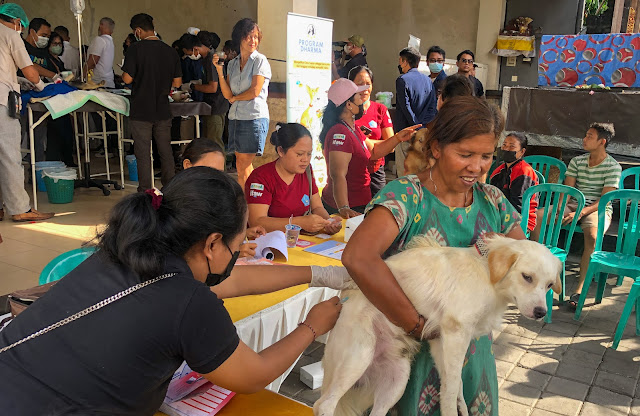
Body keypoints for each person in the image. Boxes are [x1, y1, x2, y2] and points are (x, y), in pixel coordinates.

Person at [0, 167, 352, 414]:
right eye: (238, 244)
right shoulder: (189, 302)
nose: (238, 254)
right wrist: (311, 327)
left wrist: (318, 274)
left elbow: (236, 281)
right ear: (213, 243)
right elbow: (252, 375)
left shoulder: (126, 252)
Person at [342, 96, 525, 416]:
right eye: (465, 154)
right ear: (437, 147)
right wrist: (416, 324)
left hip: (471, 353)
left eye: (486, 155)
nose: (477, 166)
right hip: (409, 354)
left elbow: (523, 261)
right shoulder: (407, 197)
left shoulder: (492, 201)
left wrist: (500, 255)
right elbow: (358, 257)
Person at [531, 123, 621, 309]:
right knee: (538, 216)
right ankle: (540, 267)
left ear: (602, 142)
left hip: (598, 209)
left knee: (593, 237)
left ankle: (579, 289)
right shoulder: (577, 161)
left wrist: (580, 213)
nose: (584, 139)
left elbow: (604, 201)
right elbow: (568, 189)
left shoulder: (613, 167)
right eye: (585, 135)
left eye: (589, 136)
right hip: (573, 203)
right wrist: (561, 206)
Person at [320, 78, 419, 218]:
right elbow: (338, 175)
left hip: (360, 202)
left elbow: (374, 151)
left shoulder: (353, 129)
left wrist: (398, 138)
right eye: (358, 97)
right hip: (349, 208)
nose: (363, 100)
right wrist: (343, 208)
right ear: (348, 104)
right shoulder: (340, 133)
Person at [0, 3, 53, 222]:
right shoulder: (11, 35)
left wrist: (17, 80)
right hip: (2, 102)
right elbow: (30, 70)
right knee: (10, 156)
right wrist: (42, 86)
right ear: (17, 22)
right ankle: (20, 208)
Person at [246, 123, 342, 235]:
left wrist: (328, 222)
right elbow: (256, 222)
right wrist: (298, 223)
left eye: (309, 154)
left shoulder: (306, 171)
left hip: (300, 241)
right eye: (299, 154)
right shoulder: (261, 178)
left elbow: (317, 207)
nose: (305, 159)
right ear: (281, 151)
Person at [122, 13, 182, 192]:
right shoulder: (170, 51)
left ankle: (146, 191)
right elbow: (177, 83)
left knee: (143, 153)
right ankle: (170, 188)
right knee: (165, 151)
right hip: (162, 108)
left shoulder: (135, 49)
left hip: (141, 109)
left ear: (138, 31)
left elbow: (126, 79)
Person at [180, 139, 266, 258]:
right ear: (187, 165)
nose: (215, 179)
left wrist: (241, 235)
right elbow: (189, 252)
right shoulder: (178, 203)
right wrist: (232, 253)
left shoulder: (214, 197)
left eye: (219, 173)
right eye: (208, 170)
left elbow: (210, 235)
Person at [214, 18, 271, 190]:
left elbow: (255, 91)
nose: (253, 40)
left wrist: (235, 99)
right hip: (236, 117)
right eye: (248, 36)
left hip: (254, 117)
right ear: (239, 38)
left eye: (256, 37)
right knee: (241, 165)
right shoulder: (231, 64)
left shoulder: (260, 61)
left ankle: (247, 205)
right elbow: (227, 94)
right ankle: (253, 200)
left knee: (243, 165)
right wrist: (219, 70)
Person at [348, 66, 394, 197]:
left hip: (375, 171)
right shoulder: (346, 110)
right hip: (351, 171)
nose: (365, 88)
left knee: (377, 210)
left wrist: (363, 140)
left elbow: (391, 145)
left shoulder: (381, 109)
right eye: (360, 84)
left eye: (368, 84)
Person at [182, 34, 229, 155]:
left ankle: (219, 172)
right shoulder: (205, 59)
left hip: (216, 106)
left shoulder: (211, 60)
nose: (190, 56)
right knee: (208, 144)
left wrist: (193, 86)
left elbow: (213, 88)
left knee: (215, 144)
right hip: (211, 106)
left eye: (189, 53)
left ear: (195, 49)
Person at [394, 47, 437, 177]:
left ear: (405, 61)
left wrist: (415, 125)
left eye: (401, 61)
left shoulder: (402, 80)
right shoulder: (428, 81)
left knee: (404, 173)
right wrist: (421, 125)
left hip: (405, 132)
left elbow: (405, 106)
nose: (400, 64)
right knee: (420, 172)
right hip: (423, 134)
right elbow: (432, 108)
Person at [490, 132, 538, 232]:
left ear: (522, 151)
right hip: (501, 216)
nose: (506, 149)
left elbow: (519, 205)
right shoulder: (498, 171)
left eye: (512, 147)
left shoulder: (523, 172)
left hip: (522, 220)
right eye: (504, 145)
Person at [45, 32, 76, 166]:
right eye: (54, 44)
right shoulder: (46, 60)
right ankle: (55, 163)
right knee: (56, 131)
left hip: (61, 98)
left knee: (66, 130)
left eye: (59, 44)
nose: (57, 46)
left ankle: (67, 160)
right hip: (52, 97)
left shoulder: (59, 61)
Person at [85, 17, 115, 88]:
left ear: (101, 25)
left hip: (98, 83)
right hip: (109, 82)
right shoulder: (110, 42)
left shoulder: (99, 40)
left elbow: (92, 62)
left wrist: (82, 76)